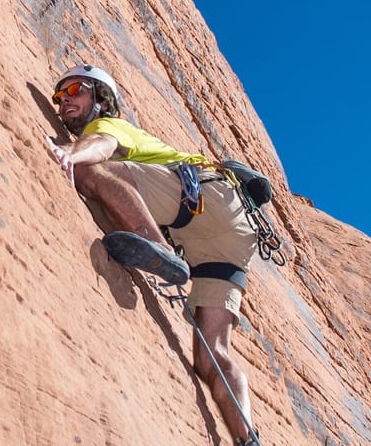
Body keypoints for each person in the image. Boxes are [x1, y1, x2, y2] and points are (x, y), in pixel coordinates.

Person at [47, 64, 260, 445]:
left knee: (90, 172)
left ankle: (159, 250)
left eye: (75, 90)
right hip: (229, 235)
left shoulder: (111, 126)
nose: (65, 102)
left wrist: (70, 155)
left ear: (102, 99)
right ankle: (247, 438)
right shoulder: (107, 126)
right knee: (213, 354)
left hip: (200, 198)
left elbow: (102, 147)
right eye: (59, 98)